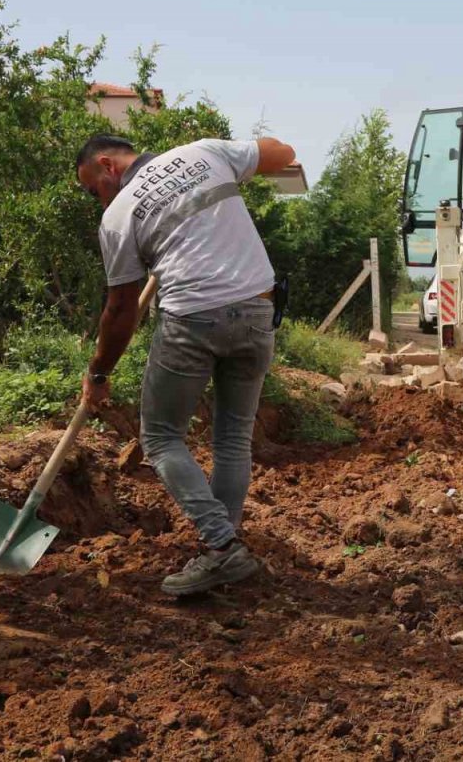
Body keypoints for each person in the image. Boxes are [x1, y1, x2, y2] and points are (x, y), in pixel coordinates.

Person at [75, 132, 295, 597]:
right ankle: (227, 548)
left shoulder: (118, 216)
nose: (97, 200)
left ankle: (221, 547)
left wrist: (98, 373)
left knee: (159, 437)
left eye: (93, 189)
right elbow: (283, 153)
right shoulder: (204, 153)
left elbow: (120, 310)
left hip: (193, 319)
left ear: (107, 165)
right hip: (259, 308)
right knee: (233, 438)